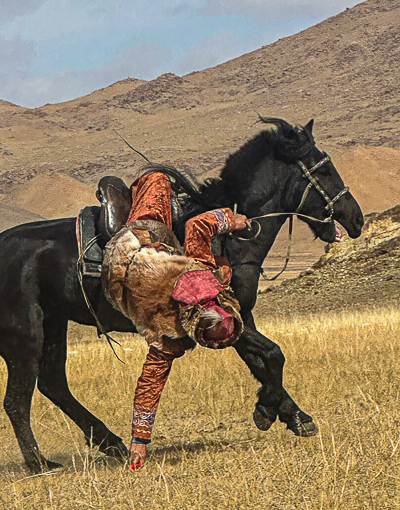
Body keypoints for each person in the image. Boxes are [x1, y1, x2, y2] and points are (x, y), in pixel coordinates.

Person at [102, 171, 248, 470]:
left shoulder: (199, 270)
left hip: (131, 247)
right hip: (116, 283)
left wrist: (231, 220)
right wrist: (138, 442)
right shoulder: (170, 338)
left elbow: (199, 224)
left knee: (157, 179)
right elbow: (151, 380)